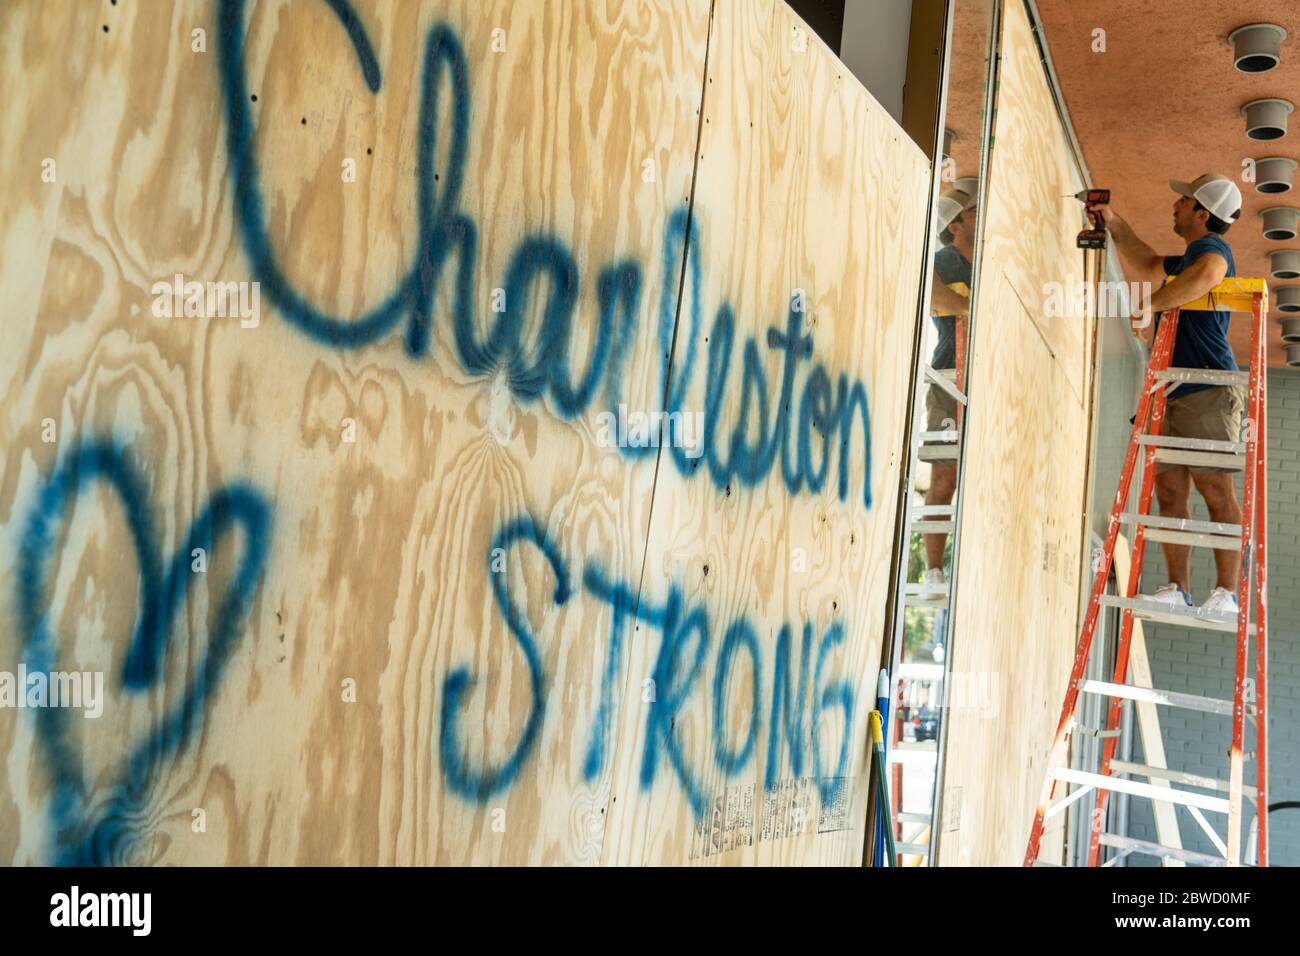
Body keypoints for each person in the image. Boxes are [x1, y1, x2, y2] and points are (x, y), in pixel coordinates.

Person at [1087, 173, 1245, 615]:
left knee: (1216, 491)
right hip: (1173, 390)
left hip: (1207, 388)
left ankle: (1227, 594)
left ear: (1202, 213)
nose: (1175, 204)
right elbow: (1148, 262)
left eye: (1184, 200)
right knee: (1171, 493)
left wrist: (1151, 304)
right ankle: (1179, 587)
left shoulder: (1212, 252)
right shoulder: (1192, 256)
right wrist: (1113, 222)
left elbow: (1210, 274)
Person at [922, 182, 977, 586]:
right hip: (948, 380)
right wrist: (971, 306)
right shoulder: (941, 260)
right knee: (945, 477)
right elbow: (929, 295)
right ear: (957, 225)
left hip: (991, 384)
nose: (983, 218)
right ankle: (936, 570)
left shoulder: (994, 259)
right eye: (974, 212)